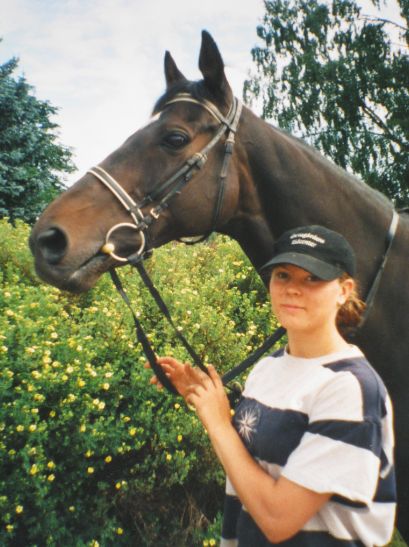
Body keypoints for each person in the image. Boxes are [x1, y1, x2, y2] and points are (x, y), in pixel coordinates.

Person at [149, 225, 396, 546]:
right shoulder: (268, 367)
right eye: (283, 275)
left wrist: (218, 423)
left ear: (344, 290)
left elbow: (278, 519)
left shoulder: (350, 388)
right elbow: (251, 461)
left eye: (313, 278)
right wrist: (204, 396)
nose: (292, 289)